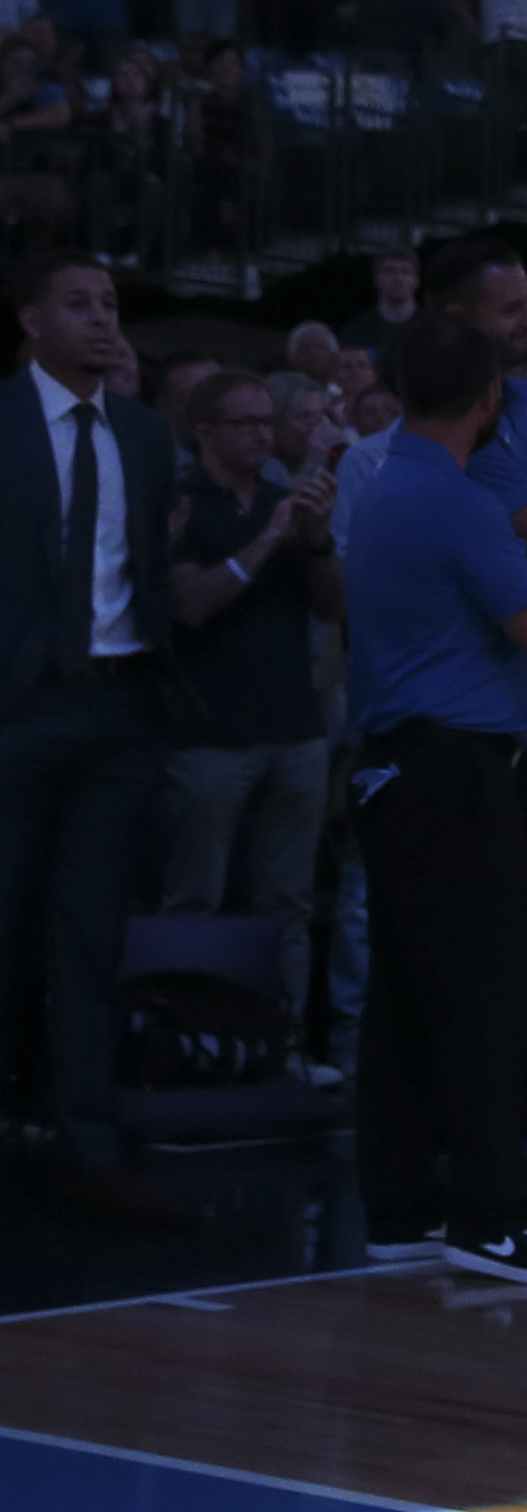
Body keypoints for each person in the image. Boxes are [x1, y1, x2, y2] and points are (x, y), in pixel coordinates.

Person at [342, 312, 527, 1284]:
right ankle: (494, 1213)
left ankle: (400, 1204)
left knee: (405, 995)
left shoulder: (384, 487)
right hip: (453, 772)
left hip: (394, 765)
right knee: (484, 995)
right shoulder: (457, 501)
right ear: (489, 401)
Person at [0, 253, 187, 1224]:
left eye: (110, 303)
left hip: (119, 705)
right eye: (77, 303)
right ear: (31, 320)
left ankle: (88, 1138)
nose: (101, 319)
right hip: (20, 705)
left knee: (88, 934)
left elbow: (147, 565)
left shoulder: (149, 437)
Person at [163, 367, 341, 1059]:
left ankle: (281, 1049)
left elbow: (333, 607)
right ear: (204, 430)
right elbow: (192, 605)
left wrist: (318, 539)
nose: (263, 434)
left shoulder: (284, 500)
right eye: (246, 422)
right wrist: (269, 539)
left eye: (268, 422)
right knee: (195, 901)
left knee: (287, 905)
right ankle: (186, 1049)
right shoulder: (181, 502)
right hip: (209, 735)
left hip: (294, 730)